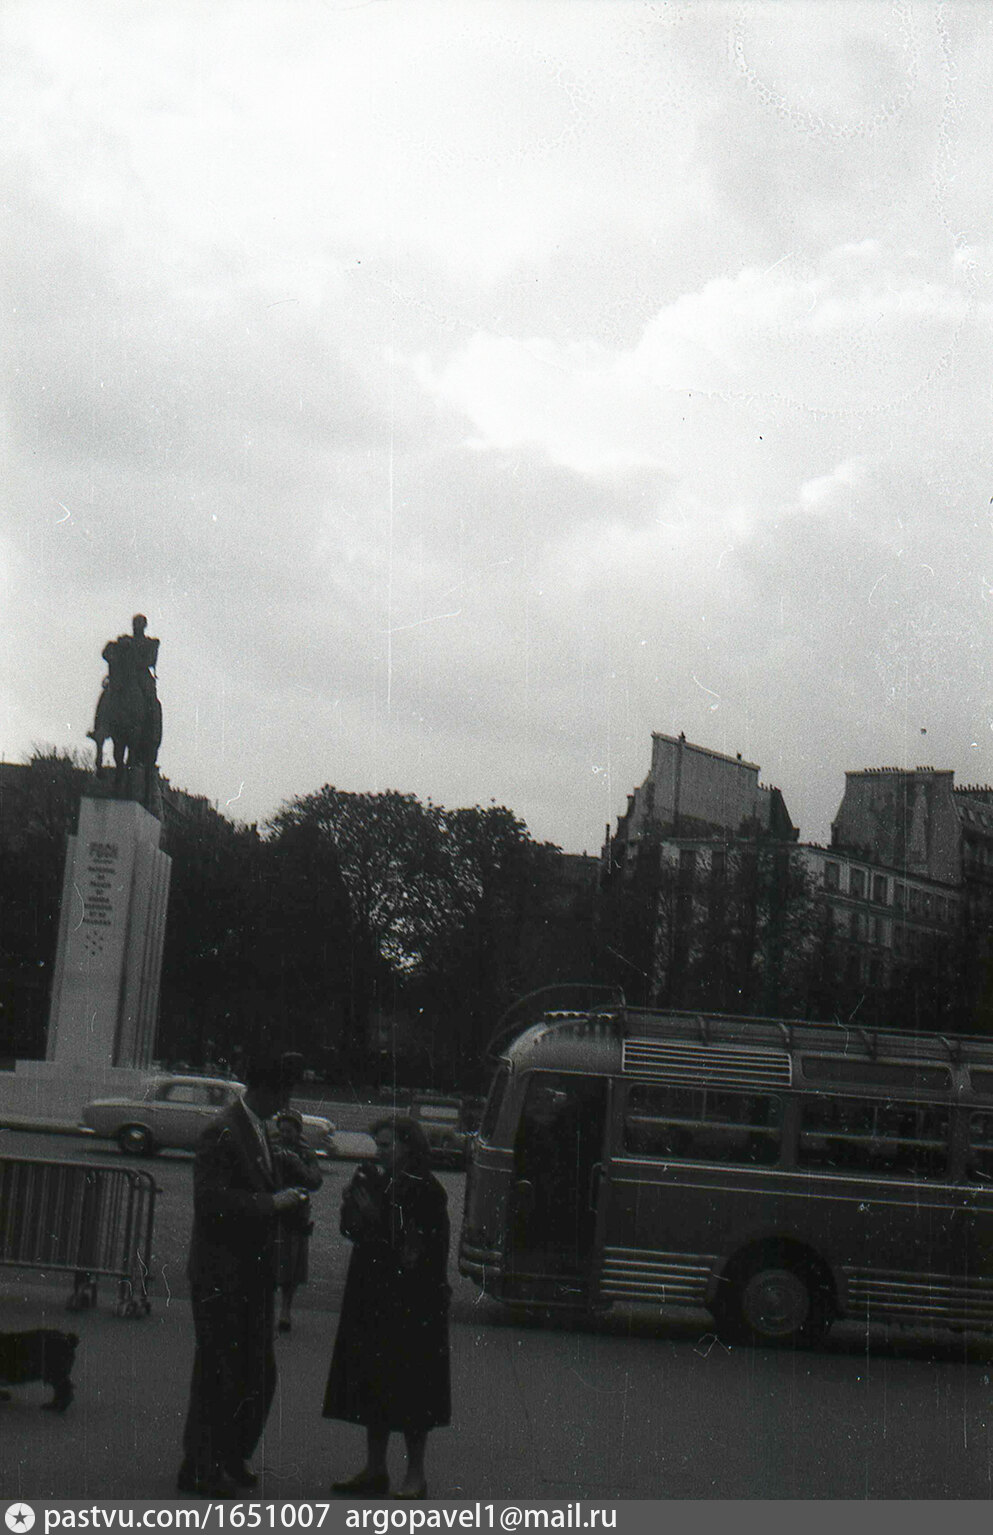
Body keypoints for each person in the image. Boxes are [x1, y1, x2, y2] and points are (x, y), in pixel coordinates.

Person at [177, 1054, 311, 1498]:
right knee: (222, 1371)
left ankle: (221, 1456)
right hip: (223, 1273)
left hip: (248, 1273)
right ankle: (206, 1465)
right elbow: (210, 1203)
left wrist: (281, 1201)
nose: (287, 1103)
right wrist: (272, 1203)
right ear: (267, 1090)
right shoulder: (223, 1131)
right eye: (285, 1093)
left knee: (252, 1372)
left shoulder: (252, 1128)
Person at [324, 1117, 451, 1500]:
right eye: (377, 1144)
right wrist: (351, 1207)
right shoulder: (382, 1182)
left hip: (412, 1301)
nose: (378, 1152)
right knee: (373, 1382)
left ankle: (415, 1474)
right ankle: (375, 1468)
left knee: (412, 1389)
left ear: (409, 1146)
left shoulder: (426, 1189)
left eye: (386, 1145)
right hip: (374, 1295)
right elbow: (353, 1232)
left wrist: (375, 1217)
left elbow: (415, 1252)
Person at [272, 1108, 323, 1334]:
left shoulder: (305, 1152)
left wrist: (297, 1164)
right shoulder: (269, 1145)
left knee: (291, 1266)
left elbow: (315, 1181)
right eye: (282, 1130)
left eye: (289, 1131)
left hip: (295, 1214)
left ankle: (285, 1309)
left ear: (298, 1131)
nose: (285, 1135)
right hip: (271, 1209)